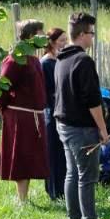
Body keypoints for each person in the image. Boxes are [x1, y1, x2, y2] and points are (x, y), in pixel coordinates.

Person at [54, 12, 109, 219]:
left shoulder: (62, 58)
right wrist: (103, 129)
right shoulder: (83, 60)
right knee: (87, 177)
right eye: (92, 33)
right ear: (82, 34)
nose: (93, 38)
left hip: (64, 125)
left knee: (72, 173)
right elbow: (92, 100)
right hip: (81, 128)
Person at [0, 19, 49, 202]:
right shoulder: (15, 59)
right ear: (32, 36)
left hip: (33, 115)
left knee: (30, 156)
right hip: (20, 115)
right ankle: (22, 199)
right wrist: (1, 106)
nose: (45, 36)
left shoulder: (33, 58)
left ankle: (24, 197)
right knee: (22, 157)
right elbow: (3, 86)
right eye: (42, 32)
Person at [41, 27, 68, 200]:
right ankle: (53, 191)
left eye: (66, 40)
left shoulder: (59, 60)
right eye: (61, 41)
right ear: (51, 42)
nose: (65, 43)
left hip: (62, 110)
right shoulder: (46, 63)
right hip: (51, 112)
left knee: (62, 153)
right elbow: (47, 91)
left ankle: (63, 190)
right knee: (53, 152)